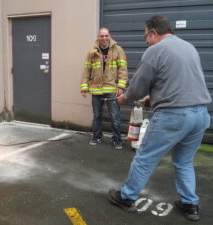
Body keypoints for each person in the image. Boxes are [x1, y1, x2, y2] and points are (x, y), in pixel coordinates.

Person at [107, 15, 212, 221]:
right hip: (200, 114)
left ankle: (127, 197)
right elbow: (178, 82)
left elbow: (136, 88)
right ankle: (190, 204)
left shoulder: (155, 50)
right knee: (183, 161)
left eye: (146, 35)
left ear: (153, 32)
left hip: (173, 116)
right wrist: (152, 98)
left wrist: (123, 99)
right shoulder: (189, 47)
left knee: (145, 158)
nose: (146, 40)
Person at [80, 28, 128, 149]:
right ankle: (97, 136)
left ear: (109, 36)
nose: (104, 38)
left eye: (106, 36)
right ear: (98, 37)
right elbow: (87, 70)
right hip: (96, 89)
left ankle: (117, 139)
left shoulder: (118, 50)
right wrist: (84, 86)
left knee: (115, 115)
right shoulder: (92, 52)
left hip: (112, 88)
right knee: (97, 116)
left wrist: (121, 86)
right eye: (102, 36)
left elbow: (123, 70)